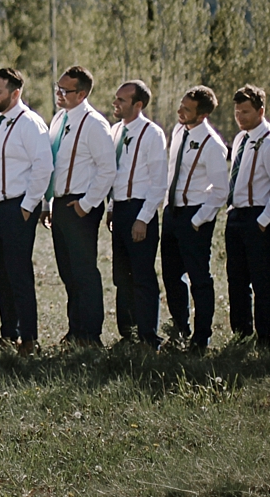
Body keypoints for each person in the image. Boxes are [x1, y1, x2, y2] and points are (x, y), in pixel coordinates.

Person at [0, 67, 52, 355]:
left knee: (19, 275)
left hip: (17, 208)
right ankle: (9, 333)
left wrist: (28, 206)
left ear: (15, 93)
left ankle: (29, 338)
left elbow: (43, 166)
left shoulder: (30, 123)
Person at [44, 66, 116, 347]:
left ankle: (90, 334)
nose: (58, 93)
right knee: (67, 271)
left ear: (82, 93)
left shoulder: (94, 123)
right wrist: (49, 201)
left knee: (84, 270)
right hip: (61, 203)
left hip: (81, 203)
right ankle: (75, 330)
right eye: (57, 87)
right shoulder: (60, 119)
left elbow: (107, 169)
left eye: (65, 90)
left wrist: (86, 205)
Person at [223, 85, 270, 348]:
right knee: (236, 279)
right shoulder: (242, 138)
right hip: (237, 214)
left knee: (262, 280)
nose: (240, 117)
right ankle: (241, 332)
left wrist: (264, 220)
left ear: (261, 111)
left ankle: (266, 337)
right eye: (237, 111)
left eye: (246, 111)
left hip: (260, 217)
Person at [161, 85, 227, 350]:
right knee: (171, 276)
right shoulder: (179, 131)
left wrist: (198, 220)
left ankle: (201, 337)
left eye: (186, 109)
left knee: (199, 278)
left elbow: (221, 190)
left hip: (195, 215)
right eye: (181, 105)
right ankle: (179, 330)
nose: (180, 111)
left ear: (201, 115)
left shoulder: (213, 144)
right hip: (173, 213)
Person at [106, 78, 168, 350]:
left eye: (122, 100)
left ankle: (148, 335)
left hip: (140, 208)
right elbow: (114, 174)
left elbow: (159, 181)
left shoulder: (152, 134)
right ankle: (127, 332)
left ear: (138, 104)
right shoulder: (115, 131)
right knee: (121, 276)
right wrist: (111, 207)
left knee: (142, 274)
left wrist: (144, 217)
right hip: (119, 208)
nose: (115, 104)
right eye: (116, 98)